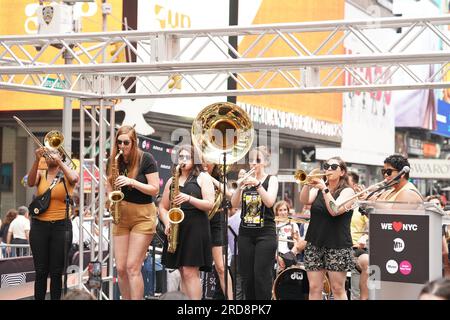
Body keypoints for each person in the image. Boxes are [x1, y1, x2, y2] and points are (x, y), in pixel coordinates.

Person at [107, 125, 160, 300]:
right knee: (121, 268)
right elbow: (109, 185)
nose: (122, 146)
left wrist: (132, 182)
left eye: (126, 142)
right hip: (120, 215)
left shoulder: (146, 158)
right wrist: (109, 198)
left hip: (143, 216)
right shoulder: (114, 159)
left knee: (132, 267)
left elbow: (155, 190)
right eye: (119, 142)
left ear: (134, 141)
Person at [159, 144, 215, 300]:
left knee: (190, 272)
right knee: (183, 271)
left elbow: (210, 204)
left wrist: (189, 198)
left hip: (196, 228)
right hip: (177, 227)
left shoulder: (203, 177)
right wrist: (167, 222)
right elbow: (162, 207)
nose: (183, 160)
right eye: (180, 157)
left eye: (187, 157)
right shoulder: (172, 180)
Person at [299, 157, 356, 300]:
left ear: (342, 172)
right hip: (315, 242)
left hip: (337, 244)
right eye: (326, 166)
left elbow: (335, 210)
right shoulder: (319, 189)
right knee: (314, 288)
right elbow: (304, 200)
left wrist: (324, 189)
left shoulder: (348, 191)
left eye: (333, 166)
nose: (328, 169)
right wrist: (307, 183)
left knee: (337, 289)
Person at [27, 146, 79, 300]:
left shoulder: (67, 174)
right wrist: (37, 159)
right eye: (48, 153)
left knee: (56, 272)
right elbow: (30, 183)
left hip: (61, 226)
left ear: (61, 156)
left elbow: (75, 179)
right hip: (39, 226)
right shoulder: (41, 173)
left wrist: (61, 163)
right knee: (41, 271)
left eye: (55, 152)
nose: (50, 155)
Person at [231, 146, 279, 300]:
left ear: (265, 162)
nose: (253, 164)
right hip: (245, 234)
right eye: (251, 160)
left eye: (257, 160)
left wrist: (257, 184)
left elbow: (270, 202)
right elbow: (234, 203)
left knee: (261, 277)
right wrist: (239, 186)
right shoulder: (246, 181)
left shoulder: (272, 179)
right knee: (248, 278)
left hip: (265, 234)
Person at [202, 162, 233, 300]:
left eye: (208, 160)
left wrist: (209, 178)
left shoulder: (220, 176)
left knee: (221, 267)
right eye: (202, 160)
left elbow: (229, 193)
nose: (205, 163)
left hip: (216, 221)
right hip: (198, 219)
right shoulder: (195, 174)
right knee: (194, 267)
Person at [348, 171, 370, 300]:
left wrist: (365, 238)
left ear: (355, 186)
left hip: (356, 249)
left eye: (347, 183)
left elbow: (371, 226)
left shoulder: (361, 206)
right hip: (338, 247)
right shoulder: (337, 202)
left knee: (366, 262)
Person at [274, 200, 302, 272]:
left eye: (285, 210)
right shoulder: (273, 225)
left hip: (290, 257)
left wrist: (289, 256)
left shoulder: (293, 224)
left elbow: (297, 242)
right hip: (276, 257)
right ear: (276, 212)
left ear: (288, 211)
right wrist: (277, 257)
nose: (283, 212)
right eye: (280, 210)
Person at [426, 195, 450, 278]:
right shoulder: (431, 224)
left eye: (437, 204)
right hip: (437, 266)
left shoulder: (445, 221)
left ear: (442, 206)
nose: (434, 207)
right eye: (431, 206)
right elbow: (445, 252)